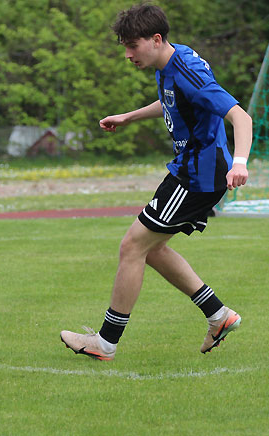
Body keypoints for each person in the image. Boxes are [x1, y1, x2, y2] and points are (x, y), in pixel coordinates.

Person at [60, 4, 252, 360]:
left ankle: (105, 343)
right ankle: (219, 316)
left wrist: (239, 163)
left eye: (133, 46)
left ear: (157, 39)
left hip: (198, 175)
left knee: (132, 247)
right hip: (191, 170)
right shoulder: (169, 63)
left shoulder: (187, 69)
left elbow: (241, 117)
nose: (128, 54)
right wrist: (129, 116)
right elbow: (172, 101)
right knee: (152, 249)